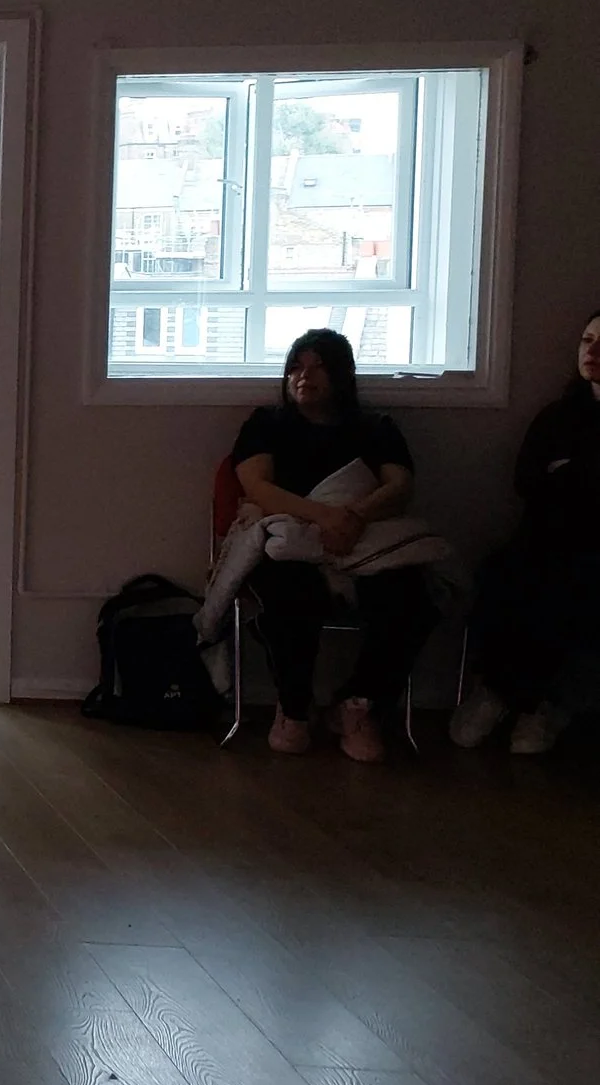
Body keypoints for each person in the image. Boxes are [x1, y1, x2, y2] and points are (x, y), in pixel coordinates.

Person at [231, 328, 437, 761]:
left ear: (343, 376)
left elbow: (400, 486)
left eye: (318, 367)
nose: (304, 377)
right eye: (296, 367)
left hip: (364, 538)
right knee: (286, 592)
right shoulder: (266, 423)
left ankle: (357, 706)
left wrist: (355, 517)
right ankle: (294, 708)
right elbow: (256, 485)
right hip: (292, 541)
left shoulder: (376, 427)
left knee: (413, 599)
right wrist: (324, 516)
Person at [450, 311, 600, 754]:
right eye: (587, 340)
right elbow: (528, 481)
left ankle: (542, 703)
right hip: (541, 541)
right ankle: (500, 691)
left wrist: (570, 475)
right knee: (504, 576)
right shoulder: (558, 416)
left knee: (573, 589)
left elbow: (563, 484)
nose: (591, 352)